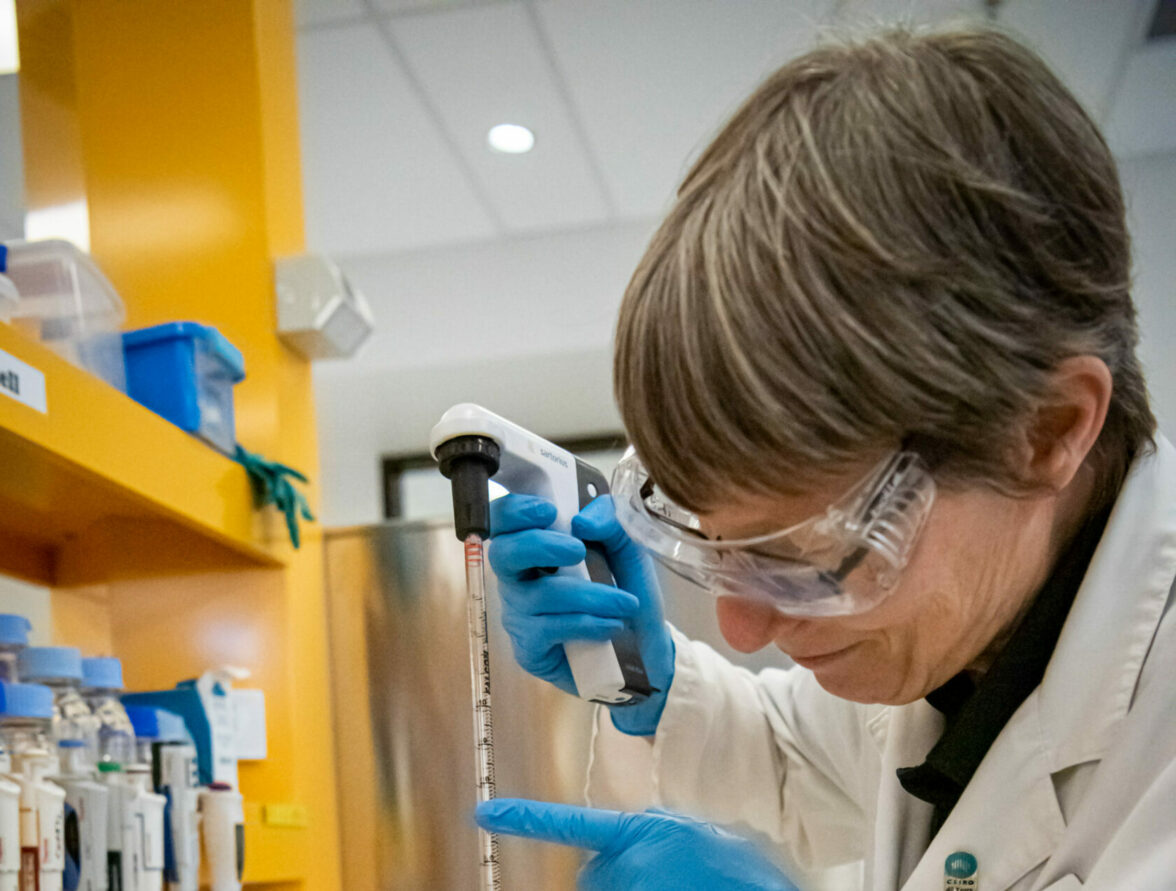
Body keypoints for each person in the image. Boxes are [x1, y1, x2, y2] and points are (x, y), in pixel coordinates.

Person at [475, 25, 1176, 891]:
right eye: (716, 548)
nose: (741, 626)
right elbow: (807, 756)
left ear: (1046, 430)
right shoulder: (973, 627)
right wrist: (656, 681)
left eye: (804, 560)